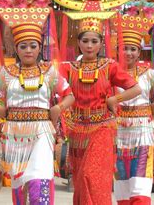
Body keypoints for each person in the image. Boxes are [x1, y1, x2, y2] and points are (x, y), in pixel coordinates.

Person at [0, 7, 75, 205]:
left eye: (33, 46)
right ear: (16, 49)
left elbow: (69, 96)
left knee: (39, 176)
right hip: (14, 132)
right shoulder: (7, 73)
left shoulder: (49, 72)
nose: (28, 50)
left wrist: (58, 108)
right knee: (19, 182)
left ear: (39, 48)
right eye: (23, 46)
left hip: (41, 130)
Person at [65, 16, 141, 205]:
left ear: (101, 44)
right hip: (78, 130)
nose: (89, 46)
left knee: (92, 176)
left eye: (94, 41)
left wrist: (115, 99)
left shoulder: (110, 67)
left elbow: (136, 89)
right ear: (78, 43)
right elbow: (51, 82)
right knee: (80, 180)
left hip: (103, 128)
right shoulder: (69, 68)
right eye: (85, 41)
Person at [114, 8, 154, 205]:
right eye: (125, 48)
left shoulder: (147, 73)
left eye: (133, 49)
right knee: (122, 181)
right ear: (119, 49)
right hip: (118, 131)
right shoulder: (112, 71)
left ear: (139, 51)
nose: (128, 53)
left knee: (140, 179)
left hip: (142, 129)